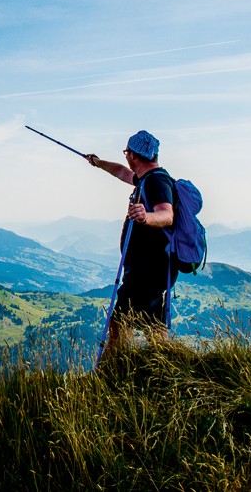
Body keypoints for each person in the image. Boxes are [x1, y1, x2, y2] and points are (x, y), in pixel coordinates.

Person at [84, 130, 177, 361]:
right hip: (152, 269)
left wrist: (146, 217)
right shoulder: (145, 178)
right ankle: (168, 364)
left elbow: (167, 215)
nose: (126, 157)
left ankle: (106, 378)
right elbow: (121, 172)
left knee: (118, 324)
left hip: (146, 271)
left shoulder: (156, 181)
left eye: (126, 152)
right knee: (153, 324)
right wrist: (97, 163)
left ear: (133, 154)